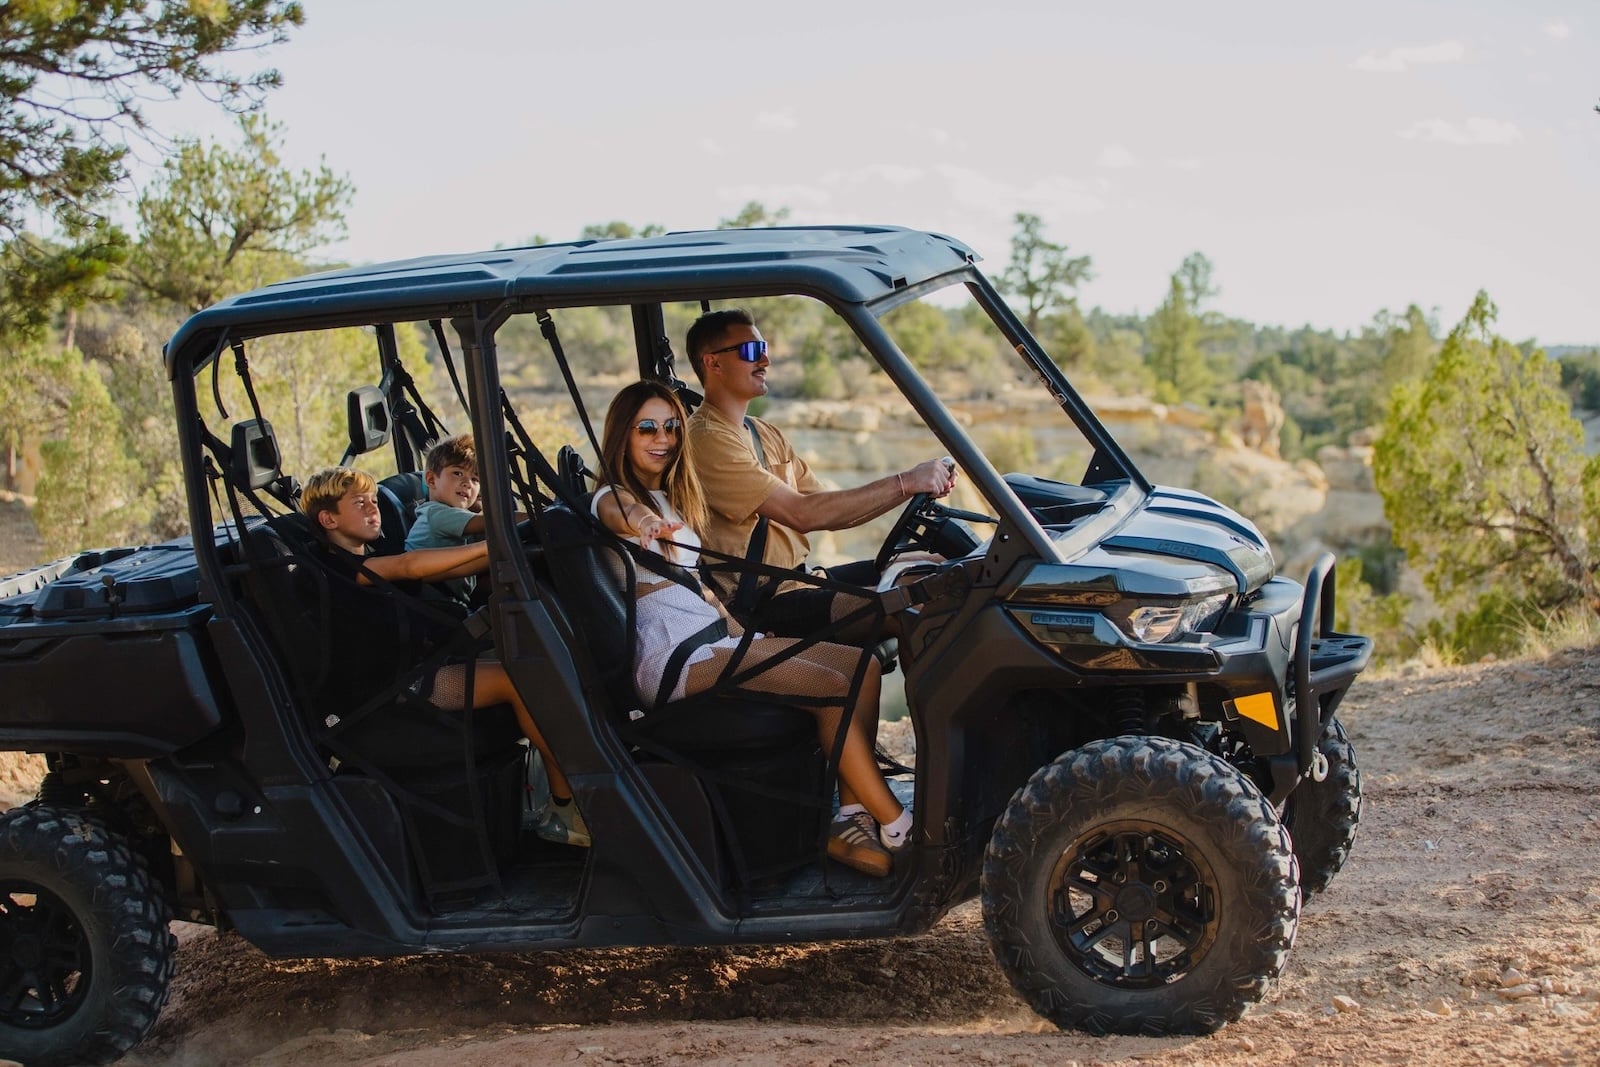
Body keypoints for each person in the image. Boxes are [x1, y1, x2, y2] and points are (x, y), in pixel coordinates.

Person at [593, 381, 910, 877]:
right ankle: (900, 826)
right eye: (647, 428)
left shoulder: (672, 495)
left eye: (672, 426)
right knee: (832, 685)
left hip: (714, 637)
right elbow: (619, 513)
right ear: (622, 435)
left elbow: (700, 587)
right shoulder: (610, 498)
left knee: (863, 665)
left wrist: (746, 633)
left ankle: (850, 818)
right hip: (674, 656)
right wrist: (642, 521)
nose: (664, 438)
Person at [301, 466, 589, 848]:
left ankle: (571, 790)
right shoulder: (332, 568)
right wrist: (501, 537)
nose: (374, 509)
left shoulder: (370, 557)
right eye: (360, 504)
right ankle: (567, 807)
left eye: (374, 501)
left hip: (414, 670)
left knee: (533, 661)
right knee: (517, 680)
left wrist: (515, 541)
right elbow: (411, 566)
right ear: (328, 518)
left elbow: (459, 564)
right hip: (392, 692)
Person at [683, 308, 958, 641]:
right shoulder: (707, 438)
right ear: (713, 363)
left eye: (764, 347)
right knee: (915, 606)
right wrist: (906, 481)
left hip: (797, 580)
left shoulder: (764, 432)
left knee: (937, 567)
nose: (766, 360)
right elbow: (802, 515)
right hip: (761, 603)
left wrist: (908, 489)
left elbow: (826, 508)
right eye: (752, 351)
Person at [403, 434, 487, 606]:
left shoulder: (454, 513)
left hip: (452, 602)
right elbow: (497, 522)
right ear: (431, 480)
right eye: (458, 473)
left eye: (475, 479)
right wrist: (543, 516)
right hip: (433, 607)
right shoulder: (436, 513)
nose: (467, 483)